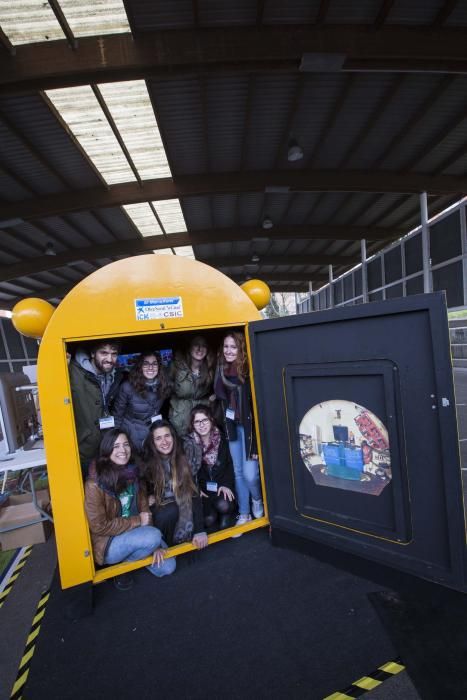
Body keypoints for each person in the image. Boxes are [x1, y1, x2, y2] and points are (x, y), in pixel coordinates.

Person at [84, 429, 175, 590]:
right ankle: (120, 568)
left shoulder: (134, 472)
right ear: (107, 450)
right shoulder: (94, 483)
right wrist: (138, 521)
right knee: (154, 536)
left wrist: (155, 547)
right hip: (109, 542)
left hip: (137, 533)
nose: (122, 450)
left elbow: (145, 510)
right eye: (116, 446)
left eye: (126, 445)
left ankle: (128, 561)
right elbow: (98, 526)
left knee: (169, 567)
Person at [214, 332, 264, 528]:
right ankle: (244, 514)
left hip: (250, 428)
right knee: (238, 472)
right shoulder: (220, 372)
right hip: (232, 427)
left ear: (241, 349)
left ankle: (257, 500)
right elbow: (221, 401)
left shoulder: (249, 372)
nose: (228, 351)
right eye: (226, 347)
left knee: (251, 474)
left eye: (233, 347)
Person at [141, 419, 208, 549]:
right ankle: (163, 547)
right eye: (158, 438)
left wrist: (200, 530)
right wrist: (147, 497)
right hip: (161, 510)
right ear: (153, 442)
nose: (164, 442)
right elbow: (142, 492)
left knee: (183, 505)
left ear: (173, 437)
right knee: (169, 512)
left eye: (167, 436)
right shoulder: (147, 463)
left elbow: (194, 492)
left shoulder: (183, 457)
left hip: (180, 503)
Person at [69, 339, 125, 473]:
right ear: (93, 353)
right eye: (104, 353)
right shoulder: (72, 372)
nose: (109, 359)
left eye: (114, 354)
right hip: (84, 450)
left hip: (106, 447)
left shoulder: (114, 375)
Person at [183, 405, 236, 531]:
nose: (201, 424)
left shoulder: (222, 438)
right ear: (192, 424)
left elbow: (230, 464)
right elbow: (185, 471)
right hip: (202, 489)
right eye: (197, 421)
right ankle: (214, 514)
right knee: (208, 520)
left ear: (211, 420)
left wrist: (226, 484)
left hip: (221, 486)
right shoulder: (188, 444)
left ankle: (226, 515)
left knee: (224, 505)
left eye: (205, 420)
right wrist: (195, 489)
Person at [113, 352, 171, 452]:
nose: (150, 367)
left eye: (154, 364)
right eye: (146, 364)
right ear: (140, 367)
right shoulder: (127, 387)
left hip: (150, 428)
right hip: (130, 431)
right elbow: (117, 416)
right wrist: (116, 438)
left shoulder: (163, 385)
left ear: (159, 366)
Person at [168, 335, 216, 436]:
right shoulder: (176, 366)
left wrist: (213, 398)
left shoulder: (211, 367)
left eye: (203, 345)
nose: (199, 349)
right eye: (196, 345)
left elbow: (217, 389)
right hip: (180, 421)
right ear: (189, 347)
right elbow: (165, 389)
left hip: (202, 421)